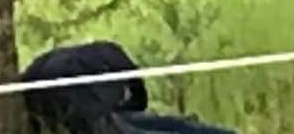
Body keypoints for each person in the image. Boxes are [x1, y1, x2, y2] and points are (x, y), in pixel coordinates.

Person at [19, 41, 237, 133]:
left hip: (43, 99)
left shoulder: (103, 59)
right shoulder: (109, 69)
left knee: (172, 125)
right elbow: (138, 101)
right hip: (74, 102)